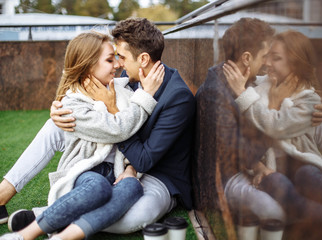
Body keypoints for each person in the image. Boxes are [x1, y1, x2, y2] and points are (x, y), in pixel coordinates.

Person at [1, 17, 195, 235]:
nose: (118, 65)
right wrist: (58, 109)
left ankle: (47, 214)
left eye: (120, 57)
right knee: (55, 125)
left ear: (143, 59)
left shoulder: (178, 97)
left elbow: (143, 159)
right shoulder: (131, 78)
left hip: (157, 175)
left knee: (133, 218)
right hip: (123, 163)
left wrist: (113, 110)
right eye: (113, 58)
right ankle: (2, 194)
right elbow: (89, 96)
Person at [194, 18, 322, 239]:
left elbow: (293, 88)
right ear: (247, 58)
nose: (267, 62)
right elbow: (241, 154)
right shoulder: (215, 94)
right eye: (265, 55)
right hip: (225, 181)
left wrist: (320, 105)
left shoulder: (242, 79)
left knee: (321, 122)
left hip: (250, 165)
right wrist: (273, 113)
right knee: (274, 211)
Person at [223, 29, 322, 239]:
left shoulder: (309, 100)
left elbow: (275, 126)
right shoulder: (262, 84)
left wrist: (248, 96)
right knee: (282, 185)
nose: (267, 62)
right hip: (271, 170)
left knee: (309, 175)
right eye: (267, 55)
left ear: (295, 63)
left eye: (276, 58)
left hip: (299, 165)